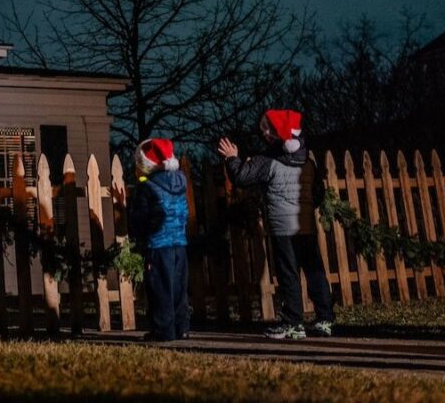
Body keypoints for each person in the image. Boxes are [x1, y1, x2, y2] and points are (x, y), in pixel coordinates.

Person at [217, 109, 335, 340]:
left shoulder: (268, 161)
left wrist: (232, 158)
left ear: (274, 135)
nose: (263, 133)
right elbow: (318, 192)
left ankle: (293, 322)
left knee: (288, 273)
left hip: (282, 227)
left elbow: (242, 177)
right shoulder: (308, 159)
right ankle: (325, 319)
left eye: (266, 129)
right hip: (306, 225)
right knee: (315, 271)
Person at [126, 138, 190, 342]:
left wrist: (142, 233)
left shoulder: (148, 187)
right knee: (178, 288)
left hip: (158, 244)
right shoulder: (179, 182)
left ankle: (163, 330)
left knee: (160, 288)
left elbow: (142, 216)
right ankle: (182, 327)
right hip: (179, 243)